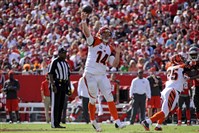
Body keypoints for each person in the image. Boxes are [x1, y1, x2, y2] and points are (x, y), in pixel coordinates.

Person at [80, 11, 126, 132]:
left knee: (109, 96)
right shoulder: (94, 41)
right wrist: (84, 20)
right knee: (93, 98)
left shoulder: (110, 48)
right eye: (105, 33)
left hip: (102, 75)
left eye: (108, 33)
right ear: (100, 33)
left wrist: (117, 53)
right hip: (90, 73)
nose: (107, 35)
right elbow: (86, 32)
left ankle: (117, 122)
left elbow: (114, 64)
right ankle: (93, 121)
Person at [141, 54, 198, 131]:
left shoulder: (169, 67)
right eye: (181, 59)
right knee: (165, 111)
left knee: (166, 110)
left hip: (166, 90)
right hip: (173, 90)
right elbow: (189, 68)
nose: (182, 60)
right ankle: (147, 121)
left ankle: (158, 126)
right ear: (177, 60)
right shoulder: (182, 67)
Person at [48, 47, 71, 128]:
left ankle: (57, 123)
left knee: (61, 105)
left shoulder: (66, 63)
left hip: (64, 84)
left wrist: (69, 87)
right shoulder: (54, 62)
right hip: (57, 84)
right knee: (55, 105)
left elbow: (68, 76)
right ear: (59, 53)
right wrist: (53, 85)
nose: (65, 55)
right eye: (64, 53)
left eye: (65, 53)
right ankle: (54, 123)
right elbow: (50, 74)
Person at [187, 46, 199, 124]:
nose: (193, 56)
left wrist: (192, 77)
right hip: (196, 86)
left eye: (195, 54)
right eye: (192, 54)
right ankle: (198, 119)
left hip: (196, 85)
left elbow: (190, 77)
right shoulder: (189, 65)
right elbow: (187, 75)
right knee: (196, 103)